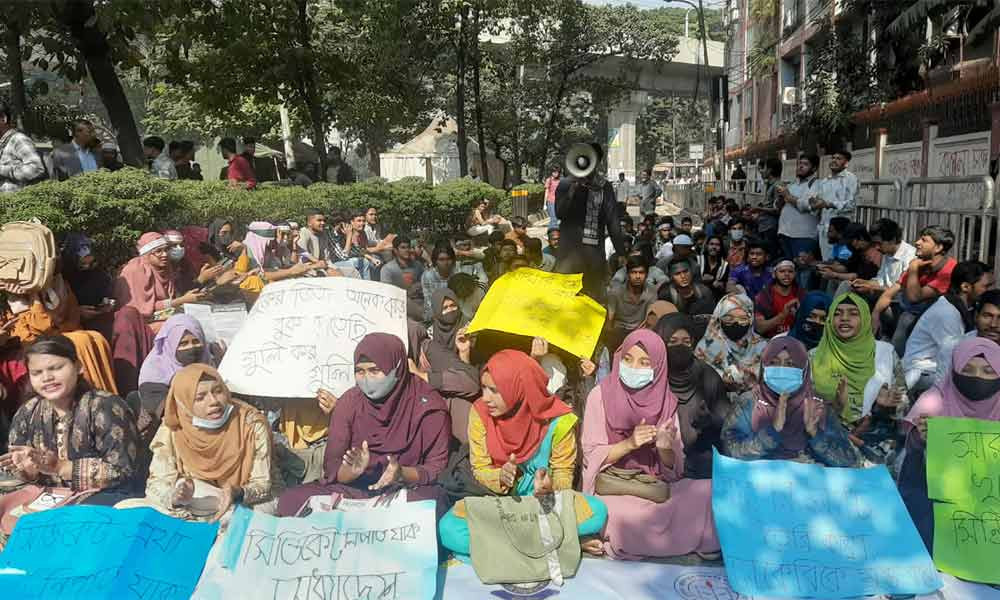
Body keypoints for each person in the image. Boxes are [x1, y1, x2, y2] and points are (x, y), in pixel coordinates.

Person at [438, 350, 608, 559]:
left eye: (494, 390)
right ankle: (557, 541)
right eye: (484, 388)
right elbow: (480, 469)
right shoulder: (480, 413)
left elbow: (564, 474)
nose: (486, 398)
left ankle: (512, 546)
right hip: (498, 503)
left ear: (518, 389)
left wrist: (550, 487)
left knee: (597, 512)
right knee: (449, 529)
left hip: (544, 507)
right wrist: (499, 476)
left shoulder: (560, 422)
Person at [581, 329, 719, 560]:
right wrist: (629, 444)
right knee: (612, 514)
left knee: (708, 491)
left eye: (644, 362)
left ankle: (640, 539)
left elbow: (674, 472)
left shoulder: (666, 401)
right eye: (628, 359)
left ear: (658, 367)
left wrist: (665, 450)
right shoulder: (599, 395)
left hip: (655, 488)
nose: (634, 367)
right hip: (614, 489)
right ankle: (655, 538)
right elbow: (590, 455)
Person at [277, 333, 450, 516]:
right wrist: (350, 471)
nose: (367, 378)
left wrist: (401, 474)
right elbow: (332, 467)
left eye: (375, 370)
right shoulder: (349, 402)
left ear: (397, 368)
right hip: (356, 490)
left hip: (406, 490)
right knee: (290, 501)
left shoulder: (428, 406)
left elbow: (437, 468)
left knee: (433, 507)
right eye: (360, 371)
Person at [128, 364, 282, 520]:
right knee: (128, 509)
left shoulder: (250, 423)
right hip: (197, 501)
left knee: (240, 521)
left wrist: (237, 492)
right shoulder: (173, 428)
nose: (213, 401)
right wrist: (176, 497)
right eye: (200, 397)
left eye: (218, 391)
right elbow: (157, 483)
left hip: (246, 501)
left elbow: (263, 485)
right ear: (183, 403)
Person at [0, 336, 139, 505]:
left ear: (78, 366)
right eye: (37, 373)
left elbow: (124, 472)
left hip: (105, 498)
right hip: (49, 499)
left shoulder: (106, 407)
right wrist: (28, 471)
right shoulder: (27, 412)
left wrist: (61, 467)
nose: (47, 377)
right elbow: (26, 475)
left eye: (56, 368)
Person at [898, 337, 1000, 551]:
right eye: (968, 370)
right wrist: (920, 439)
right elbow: (911, 463)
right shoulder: (934, 401)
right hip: (936, 509)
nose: (977, 377)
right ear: (954, 370)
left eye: (988, 372)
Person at [721, 337, 859, 466]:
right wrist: (772, 431)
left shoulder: (817, 407)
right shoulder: (749, 402)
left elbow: (848, 459)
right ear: (764, 367)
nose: (782, 370)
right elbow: (729, 451)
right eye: (774, 363)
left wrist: (815, 434)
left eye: (791, 364)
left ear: (804, 370)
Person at [811, 293, 908, 467]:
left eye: (853, 313)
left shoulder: (885, 353)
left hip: (873, 448)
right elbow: (802, 411)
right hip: (825, 446)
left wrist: (883, 408)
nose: (845, 319)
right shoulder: (814, 357)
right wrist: (834, 407)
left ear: (864, 318)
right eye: (838, 313)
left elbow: (904, 408)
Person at [653, 314, 730, 477]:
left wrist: (710, 421)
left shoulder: (707, 375)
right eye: (672, 342)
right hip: (657, 463)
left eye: (686, 342)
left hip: (702, 464)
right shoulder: (652, 376)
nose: (680, 347)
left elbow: (728, 424)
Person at [902, 261, 994, 398]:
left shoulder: (961, 306)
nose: (989, 291)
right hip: (922, 371)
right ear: (965, 287)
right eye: (986, 286)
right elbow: (953, 356)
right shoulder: (948, 313)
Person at [554, 143, 626, 301]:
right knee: (565, 297)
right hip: (569, 252)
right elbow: (559, 213)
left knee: (592, 298)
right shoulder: (566, 184)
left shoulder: (603, 187)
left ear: (597, 162)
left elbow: (612, 220)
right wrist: (571, 193)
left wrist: (621, 252)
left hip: (593, 255)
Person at [873, 226, 957, 357]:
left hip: (938, 322)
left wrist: (913, 269)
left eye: (924, 240)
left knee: (907, 318)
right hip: (911, 311)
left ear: (938, 248)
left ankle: (894, 359)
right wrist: (875, 316)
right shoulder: (921, 263)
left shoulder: (949, 269)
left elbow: (915, 297)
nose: (917, 243)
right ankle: (885, 345)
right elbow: (890, 293)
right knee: (883, 306)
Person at [410, 289, 480, 443]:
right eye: (445, 308)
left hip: (466, 389)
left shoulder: (470, 329)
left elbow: (471, 377)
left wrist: (464, 353)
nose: (450, 311)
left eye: (453, 306)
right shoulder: (430, 335)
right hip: (440, 388)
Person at [135, 315, 213, 447]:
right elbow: (168, 413)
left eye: (196, 341)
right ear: (169, 344)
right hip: (172, 434)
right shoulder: (154, 374)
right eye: (183, 343)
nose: (191, 347)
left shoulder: (210, 362)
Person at [695, 293, 766, 394]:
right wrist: (720, 379)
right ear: (719, 318)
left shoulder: (763, 347)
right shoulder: (706, 346)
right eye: (728, 319)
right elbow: (698, 378)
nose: (735, 323)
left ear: (750, 320)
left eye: (742, 319)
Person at [932, 289, 1000, 384]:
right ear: (976, 316)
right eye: (987, 316)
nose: (993, 324)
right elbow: (941, 388)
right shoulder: (953, 347)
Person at [60, 233, 115, 341]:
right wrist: (77, 312)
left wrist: (105, 305)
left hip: (99, 321)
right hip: (72, 327)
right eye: (82, 264)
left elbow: (105, 295)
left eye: (90, 263)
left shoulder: (99, 275)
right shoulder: (62, 277)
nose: (87, 267)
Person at [852, 218, 916, 300]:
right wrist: (865, 283)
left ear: (893, 240)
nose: (876, 247)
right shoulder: (887, 253)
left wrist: (871, 287)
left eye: (879, 243)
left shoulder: (910, 257)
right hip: (884, 298)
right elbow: (880, 281)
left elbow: (901, 290)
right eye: (874, 243)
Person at [814, 150, 859, 261]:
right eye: (833, 157)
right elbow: (818, 203)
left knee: (842, 263)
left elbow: (851, 204)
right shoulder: (825, 181)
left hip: (842, 231)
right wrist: (814, 203)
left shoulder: (851, 179)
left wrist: (829, 204)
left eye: (839, 158)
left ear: (846, 163)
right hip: (825, 230)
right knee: (827, 263)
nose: (834, 160)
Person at [657, 258, 715, 342]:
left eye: (685, 271)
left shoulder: (704, 292)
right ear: (671, 276)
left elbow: (711, 320)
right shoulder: (666, 294)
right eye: (677, 274)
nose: (683, 276)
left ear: (691, 272)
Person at [607, 256, 656, 352]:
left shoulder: (651, 291)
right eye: (634, 272)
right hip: (619, 329)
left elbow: (650, 319)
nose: (637, 276)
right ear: (628, 274)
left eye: (641, 272)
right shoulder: (616, 292)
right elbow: (610, 319)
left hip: (639, 330)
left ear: (646, 274)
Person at [778, 154, 821, 261]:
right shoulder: (793, 184)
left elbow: (807, 205)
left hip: (803, 235)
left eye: (805, 164)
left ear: (814, 168)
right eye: (800, 164)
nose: (800, 167)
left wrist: (788, 195)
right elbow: (783, 205)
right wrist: (780, 199)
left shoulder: (817, 185)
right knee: (789, 269)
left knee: (803, 269)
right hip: (785, 232)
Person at [0, 101, 45, 193]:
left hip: (13, 203)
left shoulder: (19, 140)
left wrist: (2, 170)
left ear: (3, 119)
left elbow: (36, 169)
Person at [380, 236, 426, 322]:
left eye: (408, 247)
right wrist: (406, 292)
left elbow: (425, 283)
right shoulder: (387, 269)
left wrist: (418, 287)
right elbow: (387, 293)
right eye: (403, 248)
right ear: (395, 250)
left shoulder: (417, 265)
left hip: (419, 299)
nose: (407, 250)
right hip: (400, 303)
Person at [754, 260, 804, 338]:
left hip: (796, 339)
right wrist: (782, 315)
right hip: (770, 340)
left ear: (795, 274)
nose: (787, 274)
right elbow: (759, 328)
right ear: (774, 274)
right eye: (782, 271)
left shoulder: (801, 295)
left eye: (790, 271)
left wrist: (800, 314)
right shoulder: (763, 297)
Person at [421, 244, 459, 322]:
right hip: (436, 314)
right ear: (435, 261)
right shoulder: (428, 276)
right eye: (441, 259)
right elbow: (429, 300)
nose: (445, 263)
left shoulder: (457, 272)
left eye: (448, 259)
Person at [756, 158, 782, 257]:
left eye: (764, 168)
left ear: (770, 170)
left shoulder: (777, 186)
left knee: (770, 255)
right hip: (765, 225)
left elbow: (777, 210)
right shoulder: (770, 185)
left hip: (770, 226)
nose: (762, 171)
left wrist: (759, 209)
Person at [697, 235, 730, 300]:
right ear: (706, 246)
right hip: (698, 297)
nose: (714, 247)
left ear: (721, 248)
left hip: (715, 299)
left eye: (717, 245)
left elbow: (724, 286)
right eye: (711, 244)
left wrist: (720, 285)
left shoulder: (725, 265)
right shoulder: (698, 260)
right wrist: (701, 280)